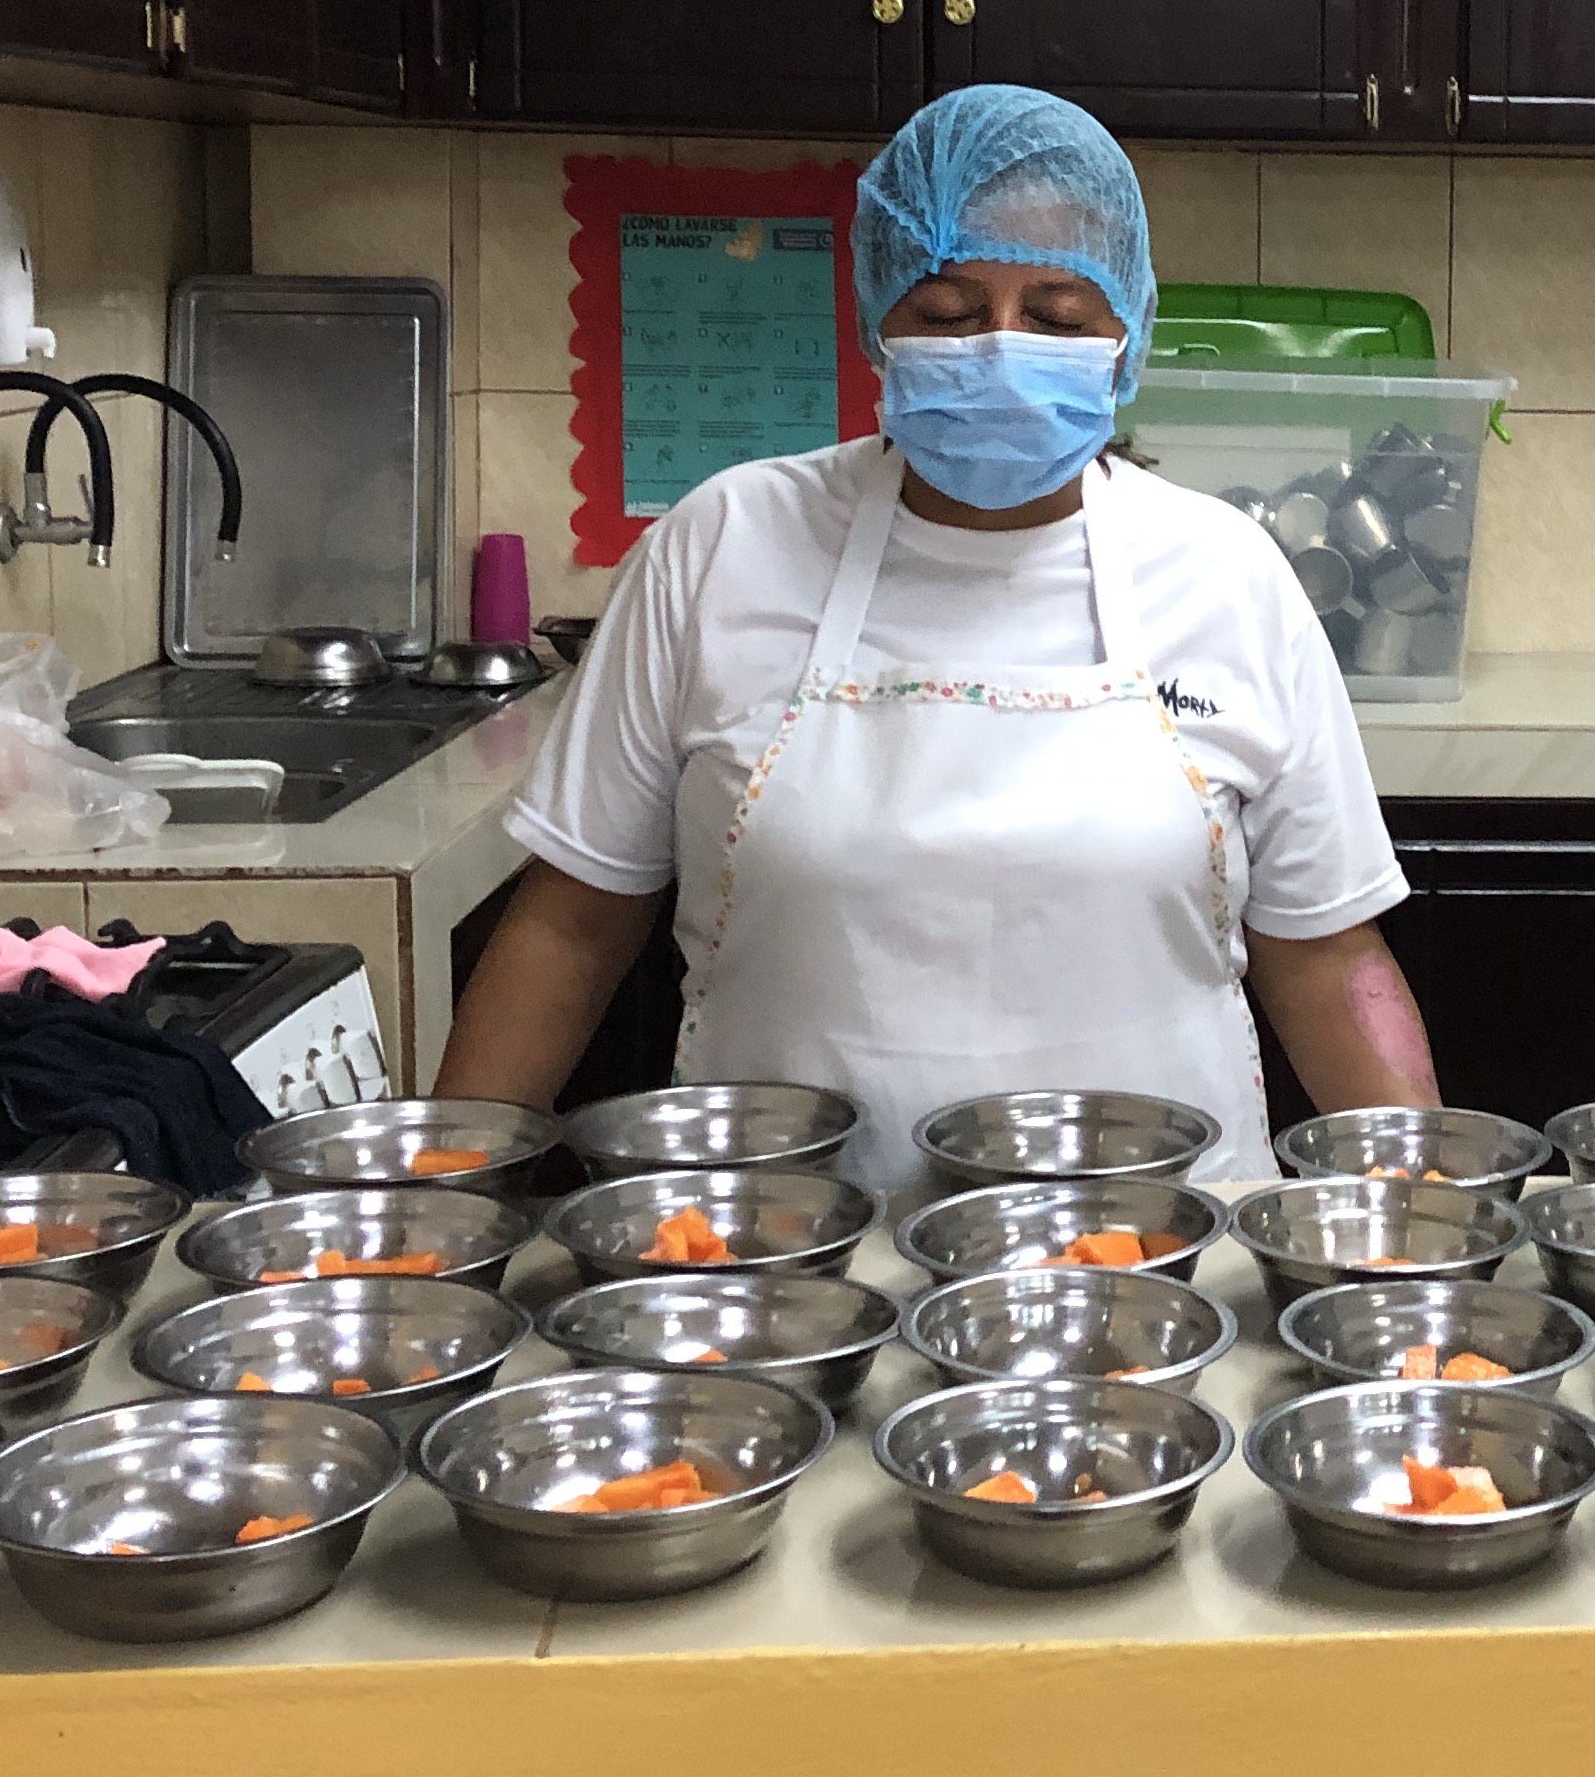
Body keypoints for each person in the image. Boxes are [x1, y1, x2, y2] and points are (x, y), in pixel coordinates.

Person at [435, 84, 1438, 1173]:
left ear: (1128, 332)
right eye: (950, 315)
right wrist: (438, 1195)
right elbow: (572, 925)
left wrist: (1426, 1202)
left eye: (1057, 318)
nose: (1002, 351)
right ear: (880, 320)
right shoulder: (722, 545)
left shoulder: (1227, 572)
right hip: (786, 1240)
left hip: (1161, 1243)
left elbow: (1326, 957)